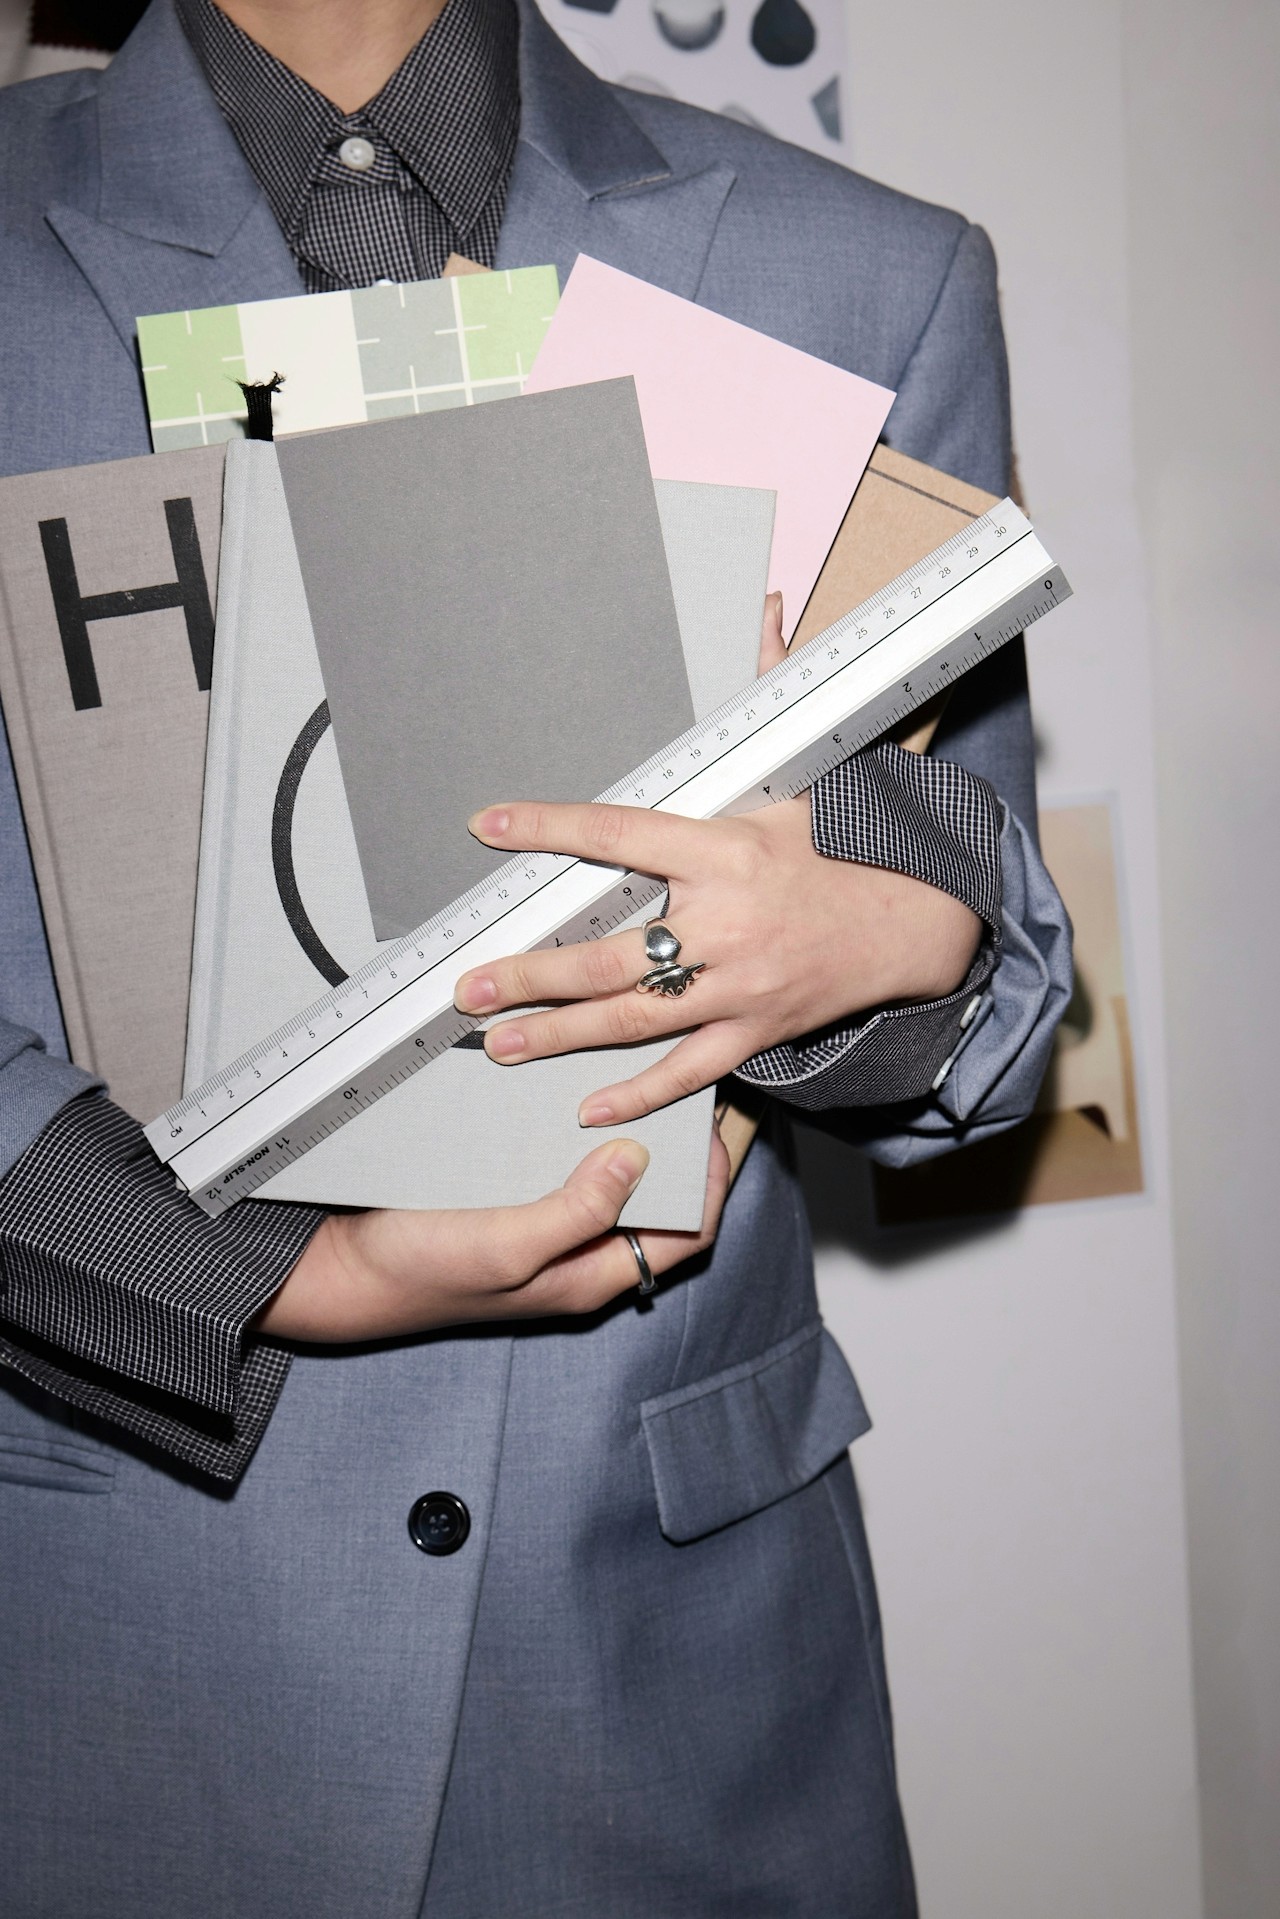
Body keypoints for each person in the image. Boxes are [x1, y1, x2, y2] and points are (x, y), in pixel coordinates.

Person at [0, 2, 1072, 1913]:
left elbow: (988, 975)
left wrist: (886, 950)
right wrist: (239, 1270)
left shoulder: (866, 273)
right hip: (99, 1656)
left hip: (679, 1697)